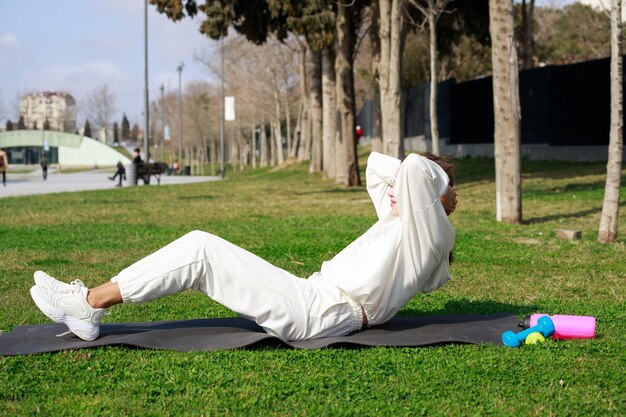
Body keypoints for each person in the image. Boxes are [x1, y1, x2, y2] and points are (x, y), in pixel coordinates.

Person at [30, 152, 458, 342]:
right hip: (315, 298)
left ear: (431, 199)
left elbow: (415, 170)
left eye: (410, 188)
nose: (396, 189)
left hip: (322, 311)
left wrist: (442, 192)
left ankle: (89, 304)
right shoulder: (400, 223)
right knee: (201, 248)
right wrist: (432, 190)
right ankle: (90, 304)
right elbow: (376, 168)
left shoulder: (432, 237)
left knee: (201, 249)